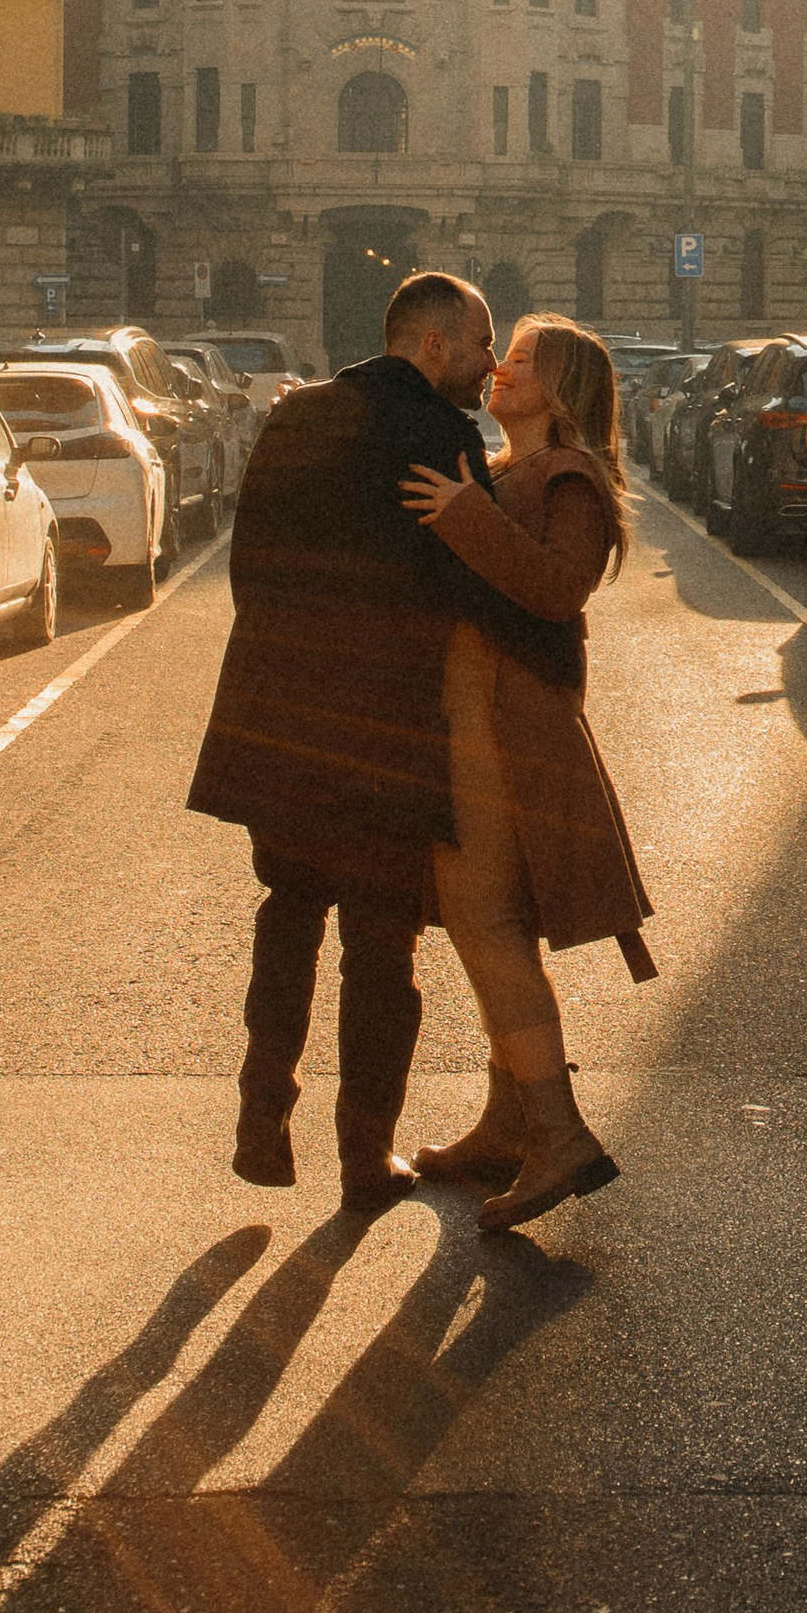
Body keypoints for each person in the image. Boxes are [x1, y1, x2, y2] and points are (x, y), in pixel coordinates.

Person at [185, 269, 504, 1213]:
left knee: (288, 909)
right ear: (435, 343)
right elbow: (474, 584)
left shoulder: (297, 416)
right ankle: (365, 1155)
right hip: (387, 731)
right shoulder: (442, 438)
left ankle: (261, 1113)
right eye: (482, 343)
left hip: (280, 718)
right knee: (381, 942)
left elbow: (249, 564)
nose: (490, 364)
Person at [396, 313, 656, 1230]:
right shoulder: (507, 470)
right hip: (470, 716)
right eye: (500, 354)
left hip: (511, 729)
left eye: (522, 359)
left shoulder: (569, 476)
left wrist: (464, 515)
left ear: (562, 389)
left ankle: (557, 1130)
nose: (500, 367)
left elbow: (556, 589)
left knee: (488, 920)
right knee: (480, 919)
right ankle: (508, 1120)